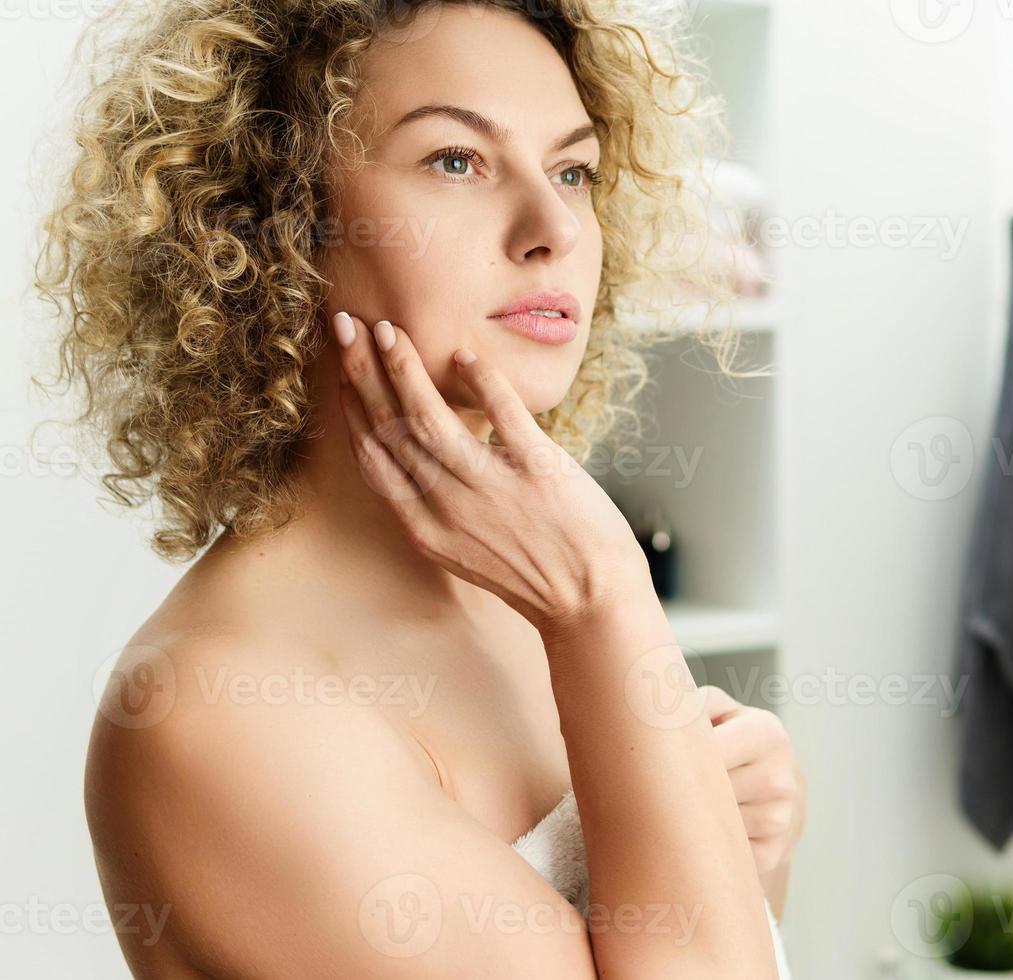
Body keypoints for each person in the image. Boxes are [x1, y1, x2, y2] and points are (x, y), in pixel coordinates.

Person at [34, 0, 803, 975]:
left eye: (572, 169)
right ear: (274, 216)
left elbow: (710, 939)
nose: (552, 225)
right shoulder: (215, 710)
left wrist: (754, 850)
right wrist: (610, 596)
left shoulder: (522, 580)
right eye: (456, 160)